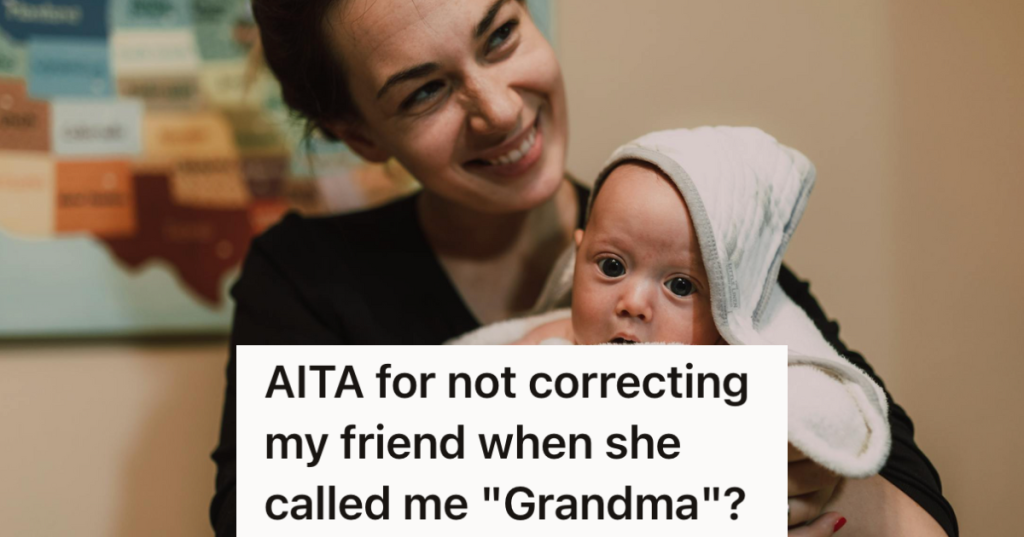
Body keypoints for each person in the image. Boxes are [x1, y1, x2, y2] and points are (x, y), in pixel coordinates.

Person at [210, 1, 957, 535]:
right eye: (426, 90)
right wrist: (704, 461)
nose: (498, 111)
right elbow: (261, 511)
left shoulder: (696, 238)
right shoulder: (308, 281)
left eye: (500, 34)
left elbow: (914, 512)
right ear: (361, 136)